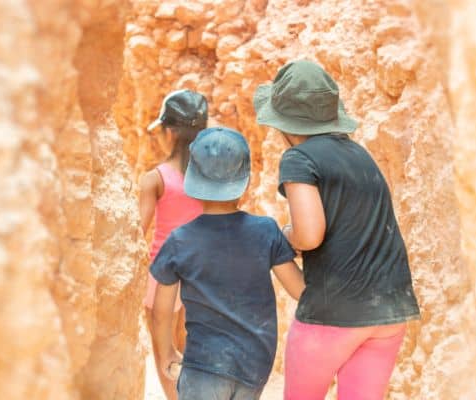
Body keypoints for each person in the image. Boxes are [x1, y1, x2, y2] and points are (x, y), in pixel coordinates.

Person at [253, 60, 421, 400]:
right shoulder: (361, 155)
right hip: (389, 312)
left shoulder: (299, 159)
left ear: (284, 123)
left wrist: (285, 235)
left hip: (333, 316)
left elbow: (310, 233)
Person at [150, 127, 305, 400]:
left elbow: (161, 312)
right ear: (245, 182)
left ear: (193, 182)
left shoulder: (180, 240)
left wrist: (167, 352)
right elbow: (299, 290)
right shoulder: (266, 231)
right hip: (255, 363)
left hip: (203, 366)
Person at [139, 89, 208, 400]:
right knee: (192, 350)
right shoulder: (212, 179)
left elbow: (138, 232)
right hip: (201, 274)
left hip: (162, 274)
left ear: (168, 131)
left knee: (165, 353)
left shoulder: (154, 179)